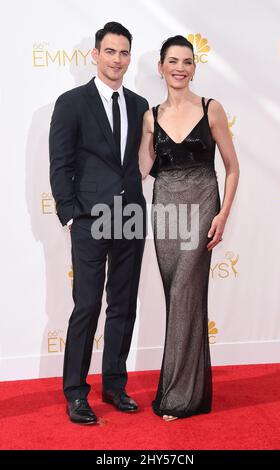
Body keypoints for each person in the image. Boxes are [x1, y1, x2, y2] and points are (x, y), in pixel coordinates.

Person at [49, 22, 148, 425]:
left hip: (130, 216)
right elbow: (60, 164)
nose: (118, 60)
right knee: (86, 306)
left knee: (123, 305)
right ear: (95, 54)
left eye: (124, 53)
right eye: (110, 51)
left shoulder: (141, 105)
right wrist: (70, 213)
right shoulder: (71, 102)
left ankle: (115, 384)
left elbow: (142, 160)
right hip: (90, 218)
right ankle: (75, 392)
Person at [139, 35, 239, 421]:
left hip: (202, 208)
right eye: (173, 61)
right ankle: (191, 391)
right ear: (161, 66)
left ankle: (178, 399)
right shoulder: (150, 116)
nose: (180, 68)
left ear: (194, 68)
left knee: (184, 294)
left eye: (187, 62)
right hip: (165, 211)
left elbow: (232, 168)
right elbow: (142, 170)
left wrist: (223, 214)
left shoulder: (211, 108)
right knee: (180, 300)